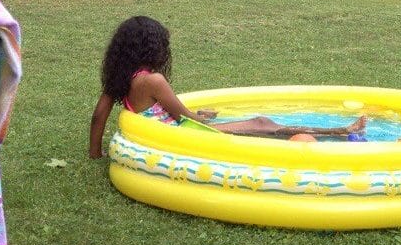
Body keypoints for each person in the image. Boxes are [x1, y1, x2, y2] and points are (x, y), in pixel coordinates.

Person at [89, 16, 366, 158]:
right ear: (151, 48)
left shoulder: (123, 78)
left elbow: (99, 115)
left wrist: (95, 153)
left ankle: (340, 132)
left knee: (260, 124)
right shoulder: (153, 80)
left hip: (171, 133)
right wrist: (201, 117)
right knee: (262, 124)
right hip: (185, 135)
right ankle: (342, 131)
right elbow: (184, 118)